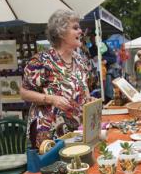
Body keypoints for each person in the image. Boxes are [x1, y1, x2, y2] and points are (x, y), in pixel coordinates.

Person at [20, 9, 92, 149]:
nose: (80, 32)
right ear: (61, 32)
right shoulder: (41, 61)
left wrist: (89, 101)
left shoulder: (80, 60)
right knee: (52, 169)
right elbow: (24, 93)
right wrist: (52, 99)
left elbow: (84, 89)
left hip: (75, 131)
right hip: (47, 132)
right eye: (75, 28)